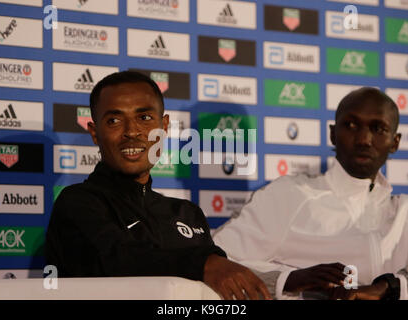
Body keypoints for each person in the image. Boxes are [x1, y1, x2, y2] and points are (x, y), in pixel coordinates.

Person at [45, 71, 271, 300]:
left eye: (144, 118)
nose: (132, 132)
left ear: (163, 127)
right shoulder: (77, 204)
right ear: (95, 133)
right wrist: (203, 263)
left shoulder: (188, 213)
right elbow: (117, 262)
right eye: (114, 120)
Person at [213, 87, 408, 300]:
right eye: (351, 125)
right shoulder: (288, 194)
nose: (364, 139)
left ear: (395, 142)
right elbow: (217, 258)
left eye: (378, 128)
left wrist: (387, 287)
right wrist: (288, 280)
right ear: (333, 134)